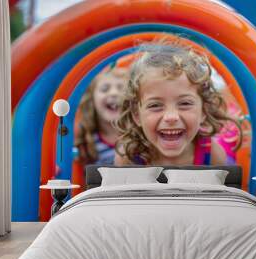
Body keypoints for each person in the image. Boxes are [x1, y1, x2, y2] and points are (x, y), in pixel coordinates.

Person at [114, 38, 242, 166]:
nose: (171, 117)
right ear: (137, 115)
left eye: (185, 103)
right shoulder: (129, 156)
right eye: (155, 105)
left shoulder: (212, 155)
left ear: (204, 110)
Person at [73, 66, 128, 165]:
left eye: (121, 88)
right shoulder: (86, 140)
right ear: (92, 100)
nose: (114, 93)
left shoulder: (139, 136)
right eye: (105, 89)